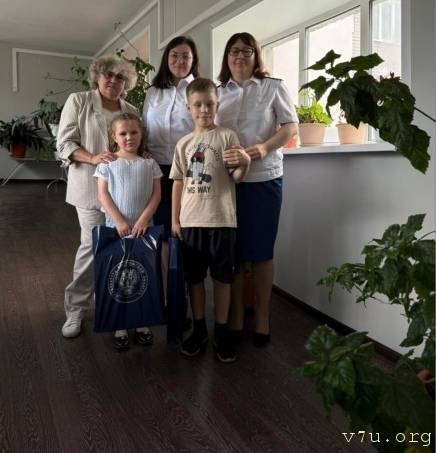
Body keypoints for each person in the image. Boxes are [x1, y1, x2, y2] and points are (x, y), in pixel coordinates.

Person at [216, 32, 299, 347]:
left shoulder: (273, 86)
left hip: (264, 179)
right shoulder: (217, 92)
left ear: (256, 56)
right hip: (227, 182)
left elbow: (290, 126)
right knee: (235, 252)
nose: (240, 56)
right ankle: (237, 314)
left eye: (247, 51)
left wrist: (263, 149)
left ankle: (263, 316)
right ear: (227, 57)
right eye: (234, 50)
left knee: (262, 252)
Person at [57, 55, 138, 338]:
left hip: (125, 192)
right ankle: (75, 309)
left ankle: (113, 305)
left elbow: (136, 144)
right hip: (90, 189)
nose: (113, 81)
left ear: (126, 83)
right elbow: (65, 143)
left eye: (120, 77)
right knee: (92, 247)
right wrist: (92, 158)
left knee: (121, 249)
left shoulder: (131, 110)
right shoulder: (79, 101)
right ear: (97, 76)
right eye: (108, 75)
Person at [170, 78, 251, 363]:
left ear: (217, 105)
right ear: (189, 108)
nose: (204, 109)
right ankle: (200, 329)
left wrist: (245, 163)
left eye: (209, 104)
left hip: (222, 221)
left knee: (222, 278)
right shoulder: (183, 144)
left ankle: (222, 331)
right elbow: (178, 182)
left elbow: (236, 177)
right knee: (194, 279)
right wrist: (175, 220)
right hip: (191, 222)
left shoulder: (227, 137)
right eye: (198, 105)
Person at [94, 113, 162, 351]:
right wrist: (119, 221)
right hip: (117, 229)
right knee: (119, 277)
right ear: (114, 136)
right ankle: (120, 325)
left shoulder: (149, 164)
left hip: (144, 229)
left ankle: (142, 323)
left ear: (141, 135)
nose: (129, 137)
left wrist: (143, 220)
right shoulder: (107, 164)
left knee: (143, 274)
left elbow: (157, 194)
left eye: (134, 132)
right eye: (123, 133)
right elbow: (103, 194)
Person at [142, 35, 199, 242]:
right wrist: (141, 151)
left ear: (193, 60)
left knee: (187, 225)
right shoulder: (153, 92)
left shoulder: (199, 89)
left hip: (189, 168)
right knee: (161, 225)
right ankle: (166, 263)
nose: (180, 61)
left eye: (186, 56)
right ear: (167, 58)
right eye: (174, 55)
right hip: (156, 168)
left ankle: (186, 264)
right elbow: (144, 126)